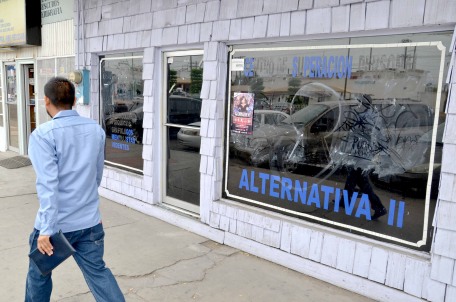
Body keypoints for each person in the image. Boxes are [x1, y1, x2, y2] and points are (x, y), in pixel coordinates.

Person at [25, 77, 125, 302]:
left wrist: (46, 230)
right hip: (89, 222)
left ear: (46, 101)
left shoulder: (43, 135)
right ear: (74, 101)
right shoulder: (95, 129)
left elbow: (48, 185)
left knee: (39, 275)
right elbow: (96, 176)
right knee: (99, 273)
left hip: (57, 227)